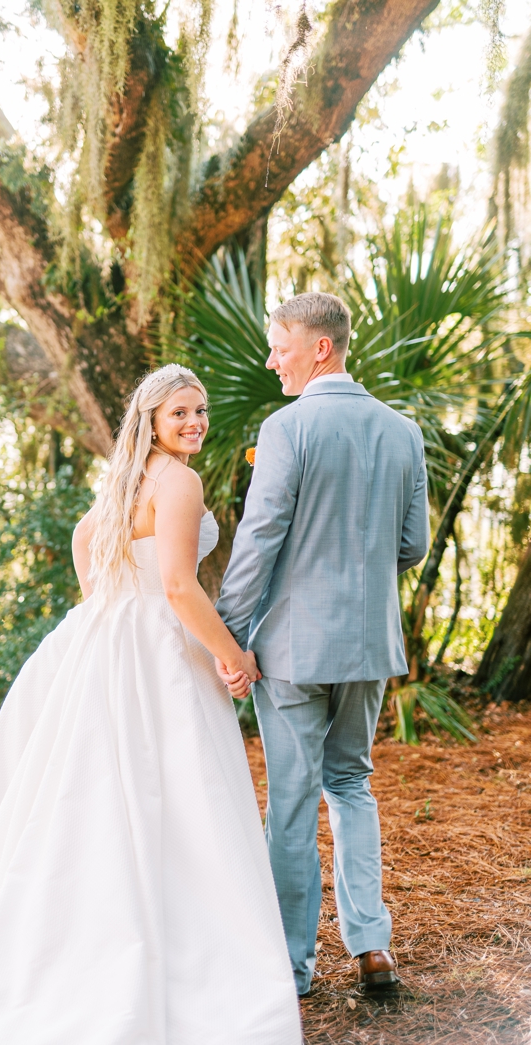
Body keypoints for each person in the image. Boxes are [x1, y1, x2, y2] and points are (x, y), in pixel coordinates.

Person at [0, 364, 302, 1044]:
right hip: (160, 650)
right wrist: (232, 656)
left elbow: (86, 550)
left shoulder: (124, 482)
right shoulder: (179, 481)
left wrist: (114, 606)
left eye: (200, 410)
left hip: (102, 644)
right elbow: (182, 587)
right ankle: (188, 958)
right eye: (180, 412)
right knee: (183, 803)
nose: (194, 422)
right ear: (152, 419)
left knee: (95, 799)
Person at [215, 292, 428, 997]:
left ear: (320, 348)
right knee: (352, 784)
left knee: (294, 801)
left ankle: (292, 966)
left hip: (293, 651)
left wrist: (229, 632)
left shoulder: (287, 427)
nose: (271, 358)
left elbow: (260, 538)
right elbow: (411, 544)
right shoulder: (402, 431)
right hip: (368, 644)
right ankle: (372, 947)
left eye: (280, 345)